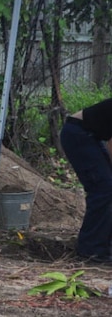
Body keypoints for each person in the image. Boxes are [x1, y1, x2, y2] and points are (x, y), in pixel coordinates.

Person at [59, 99, 112, 263]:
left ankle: (103, 243)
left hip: (91, 136)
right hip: (78, 134)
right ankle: (91, 250)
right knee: (103, 189)